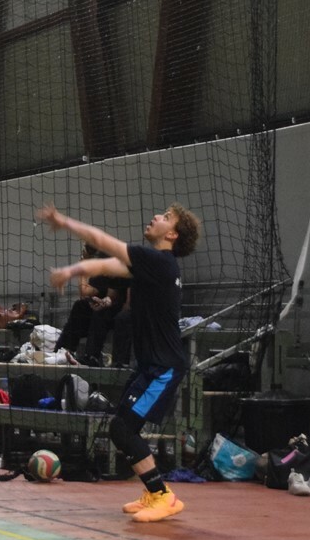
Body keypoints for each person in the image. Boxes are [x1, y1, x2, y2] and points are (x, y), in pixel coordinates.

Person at [38, 202, 201, 523]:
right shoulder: (152, 266)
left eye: (166, 217)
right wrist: (71, 272)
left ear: (172, 235)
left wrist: (63, 221)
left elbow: (102, 241)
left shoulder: (158, 260)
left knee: (123, 429)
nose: (156, 216)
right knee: (122, 429)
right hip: (149, 366)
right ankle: (153, 492)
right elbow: (107, 265)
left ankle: (163, 496)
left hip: (163, 369)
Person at [55, 245, 131, 367]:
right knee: (81, 306)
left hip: (129, 309)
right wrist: (103, 302)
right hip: (108, 310)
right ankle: (65, 350)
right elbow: (111, 296)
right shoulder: (105, 274)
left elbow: (127, 304)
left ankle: (111, 360)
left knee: (118, 317)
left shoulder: (127, 271)